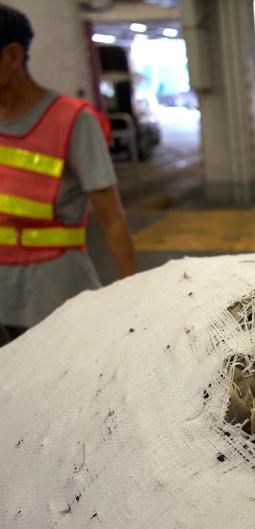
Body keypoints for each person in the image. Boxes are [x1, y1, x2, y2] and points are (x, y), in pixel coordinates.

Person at [0, 4, 136, 345]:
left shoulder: (72, 122)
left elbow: (113, 221)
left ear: (13, 57)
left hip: (54, 300)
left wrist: (134, 305)